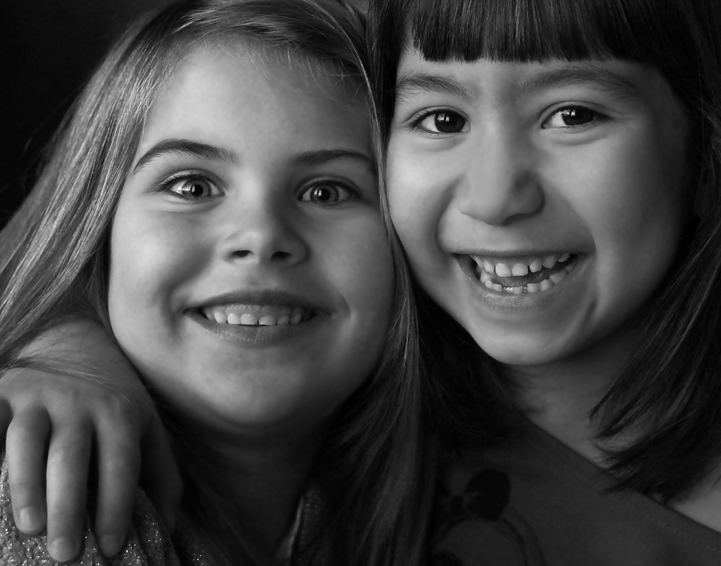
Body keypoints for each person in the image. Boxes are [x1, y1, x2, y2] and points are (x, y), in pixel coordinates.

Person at [4, 0, 721, 563]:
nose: (495, 196)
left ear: (709, 152)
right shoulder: (356, 396)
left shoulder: (359, 407)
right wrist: (66, 354)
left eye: (574, 114)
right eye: (441, 119)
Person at [0, 0, 435, 564]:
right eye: (192, 186)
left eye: (326, 191)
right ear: (95, 229)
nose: (260, 236)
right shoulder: (42, 490)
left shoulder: (456, 497)